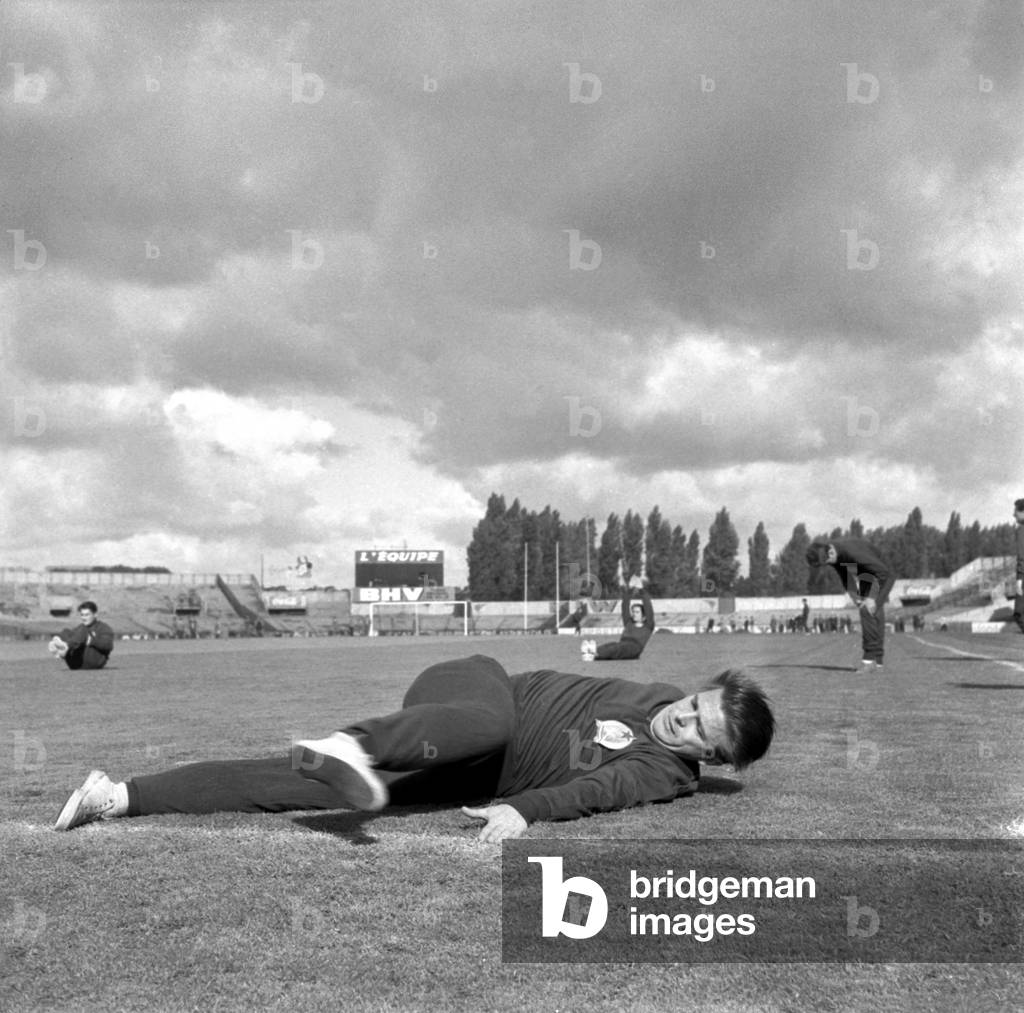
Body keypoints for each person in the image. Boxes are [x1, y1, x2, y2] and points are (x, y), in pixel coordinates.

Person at [53, 653, 775, 843]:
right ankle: (350, 742)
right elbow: (535, 707)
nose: (681, 719)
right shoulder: (651, 692)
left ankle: (116, 794)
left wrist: (522, 809)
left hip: (459, 763)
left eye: (698, 730)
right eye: (693, 705)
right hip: (474, 689)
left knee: (293, 786)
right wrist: (521, 806)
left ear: (709, 759)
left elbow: (595, 791)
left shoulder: (664, 774)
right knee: (489, 724)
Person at [806, 537, 895, 669]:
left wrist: (874, 601)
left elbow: (886, 575)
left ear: (830, 552)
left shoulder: (854, 553)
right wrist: (856, 598)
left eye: (827, 562)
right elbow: (845, 577)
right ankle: (878, 661)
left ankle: (869, 661)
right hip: (866, 572)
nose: (828, 564)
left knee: (868, 609)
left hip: (882, 572)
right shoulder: (833, 554)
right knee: (870, 609)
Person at [581, 578, 655, 661]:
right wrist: (630, 589)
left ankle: (594, 654)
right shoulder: (628, 622)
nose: (634, 614)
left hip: (635, 648)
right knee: (611, 645)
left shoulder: (648, 625)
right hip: (622, 644)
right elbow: (625, 605)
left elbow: (648, 607)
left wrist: (641, 590)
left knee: (617, 648)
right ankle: (592, 653)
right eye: (633, 612)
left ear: (644, 616)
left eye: (637, 612)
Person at [47, 601, 114, 670]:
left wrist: (91, 640)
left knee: (83, 630)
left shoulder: (104, 628)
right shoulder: (80, 628)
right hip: (75, 664)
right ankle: (60, 646)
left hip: (93, 662)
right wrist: (62, 637)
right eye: (82, 615)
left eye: (87, 615)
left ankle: (65, 647)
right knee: (66, 631)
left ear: (95, 614)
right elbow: (72, 636)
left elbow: (108, 645)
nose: (84, 618)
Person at [1013, 497, 1024, 634]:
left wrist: (1019, 579)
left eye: (1016, 511)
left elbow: (1022, 557)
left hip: (1023, 576)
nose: (1013, 514)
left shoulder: (1022, 530)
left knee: (1019, 613)